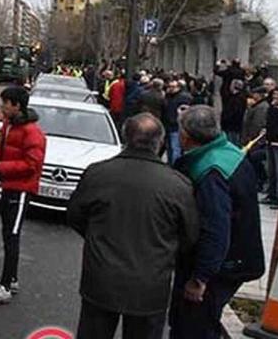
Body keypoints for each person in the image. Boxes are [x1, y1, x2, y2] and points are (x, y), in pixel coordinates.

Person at [68, 114, 199, 339]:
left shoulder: (98, 173)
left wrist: (98, 238)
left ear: (124, 138)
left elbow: (75, 216)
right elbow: (189, 235)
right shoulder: (178, 185)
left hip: (101, 278)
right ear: (160, 142)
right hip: (151, 284)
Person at [170, 106, 265, 339]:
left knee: (193, 327)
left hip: (221, 266)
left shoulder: (210, 172)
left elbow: (216, 230)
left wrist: (200, 278)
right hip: (237, 258)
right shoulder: (230, 153)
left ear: (185, 136)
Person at [0, 86, 46, 305]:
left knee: (12, 236)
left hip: (21, 189)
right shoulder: (9, 125)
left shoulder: (32, 132)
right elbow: (4, 149)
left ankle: (5, 287)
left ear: (16, 106)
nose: (2, 106)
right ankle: (11, 279)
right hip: (9, 185)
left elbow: (32, 165)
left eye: (6, 103)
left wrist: (1, 165)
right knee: (7, 233)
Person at [164, 80, 193, 165]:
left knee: (175, 148)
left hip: (176, 126)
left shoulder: (183, 97)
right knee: (170, 148)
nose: (170, 89)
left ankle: (175, 165)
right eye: (169, 87)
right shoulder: (169, 96)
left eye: (173, 87)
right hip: (169, 125)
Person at [263, 89, 278, 207]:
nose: (276, 96)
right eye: (275, 94)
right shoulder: (272, 108)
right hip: (270, 142)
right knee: (271, 171)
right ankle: (272, 194)